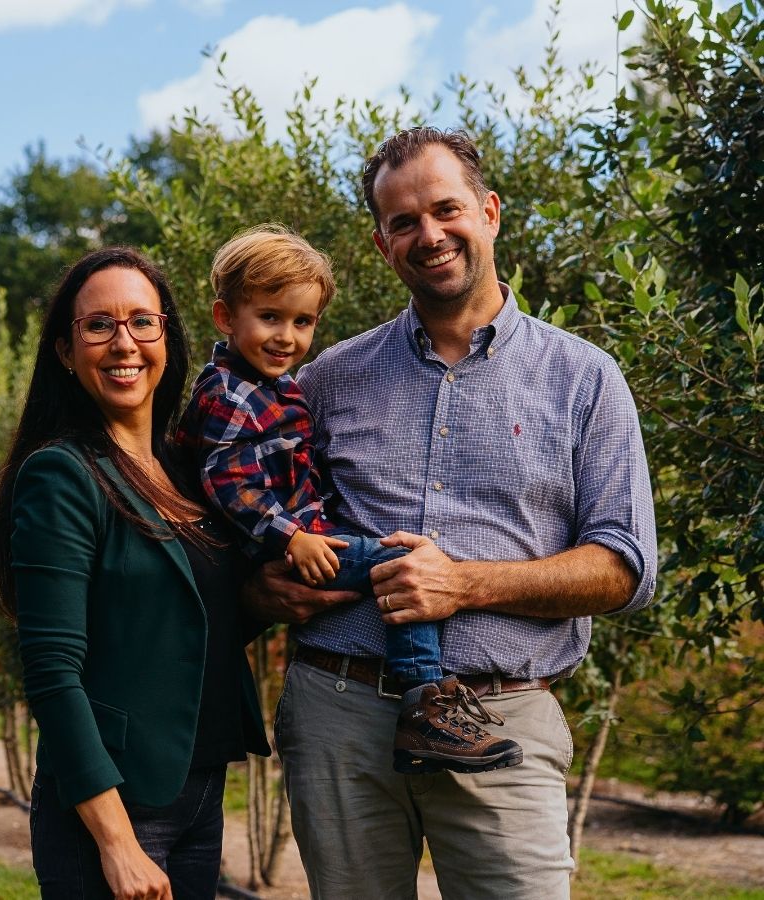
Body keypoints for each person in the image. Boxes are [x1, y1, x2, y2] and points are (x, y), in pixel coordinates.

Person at [247, 127, 658, 899]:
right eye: (404, 222)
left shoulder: (584, 380)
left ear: (490, 212)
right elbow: (256, 526)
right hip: (339, 713)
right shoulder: (326, 380)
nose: (428, 234)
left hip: (500, 717)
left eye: (446, 209)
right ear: (381, 243)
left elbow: (624, 566)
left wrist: (465, 585)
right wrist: (265, 592)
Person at [175, 223, 521, 776]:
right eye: (270, 317)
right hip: (281, 550)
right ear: (225, 317)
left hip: (300, 539)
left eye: (302, 321)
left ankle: (426, 694)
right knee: (403, 567)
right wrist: (294, 536)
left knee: (395, 561)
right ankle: (425, 702)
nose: (286, 336)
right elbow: (227, 484)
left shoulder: (281, 386)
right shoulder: (228, 393)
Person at [0, 246, 270, 900]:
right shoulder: (63, 474)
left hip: (197, 791)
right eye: (99, 325)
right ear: (65, 350)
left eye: (143, 322)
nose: (125, 343)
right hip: (115, 807)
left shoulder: (186, 469)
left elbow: (178, 624)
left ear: (167, 336)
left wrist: (271, 599)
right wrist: (116, 842)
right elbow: (53, 675)